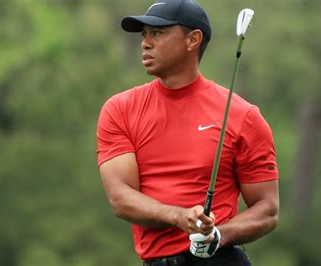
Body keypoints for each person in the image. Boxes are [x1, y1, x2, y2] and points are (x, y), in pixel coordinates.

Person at [96, 1, 279, 265]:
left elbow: (267, 210)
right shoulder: (120, 110)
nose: (145, 43)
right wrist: (179, 217)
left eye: (157, 33)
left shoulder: (243, 116)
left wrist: (218, 234)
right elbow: (121, 199)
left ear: (193, 40)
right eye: (144, 34)